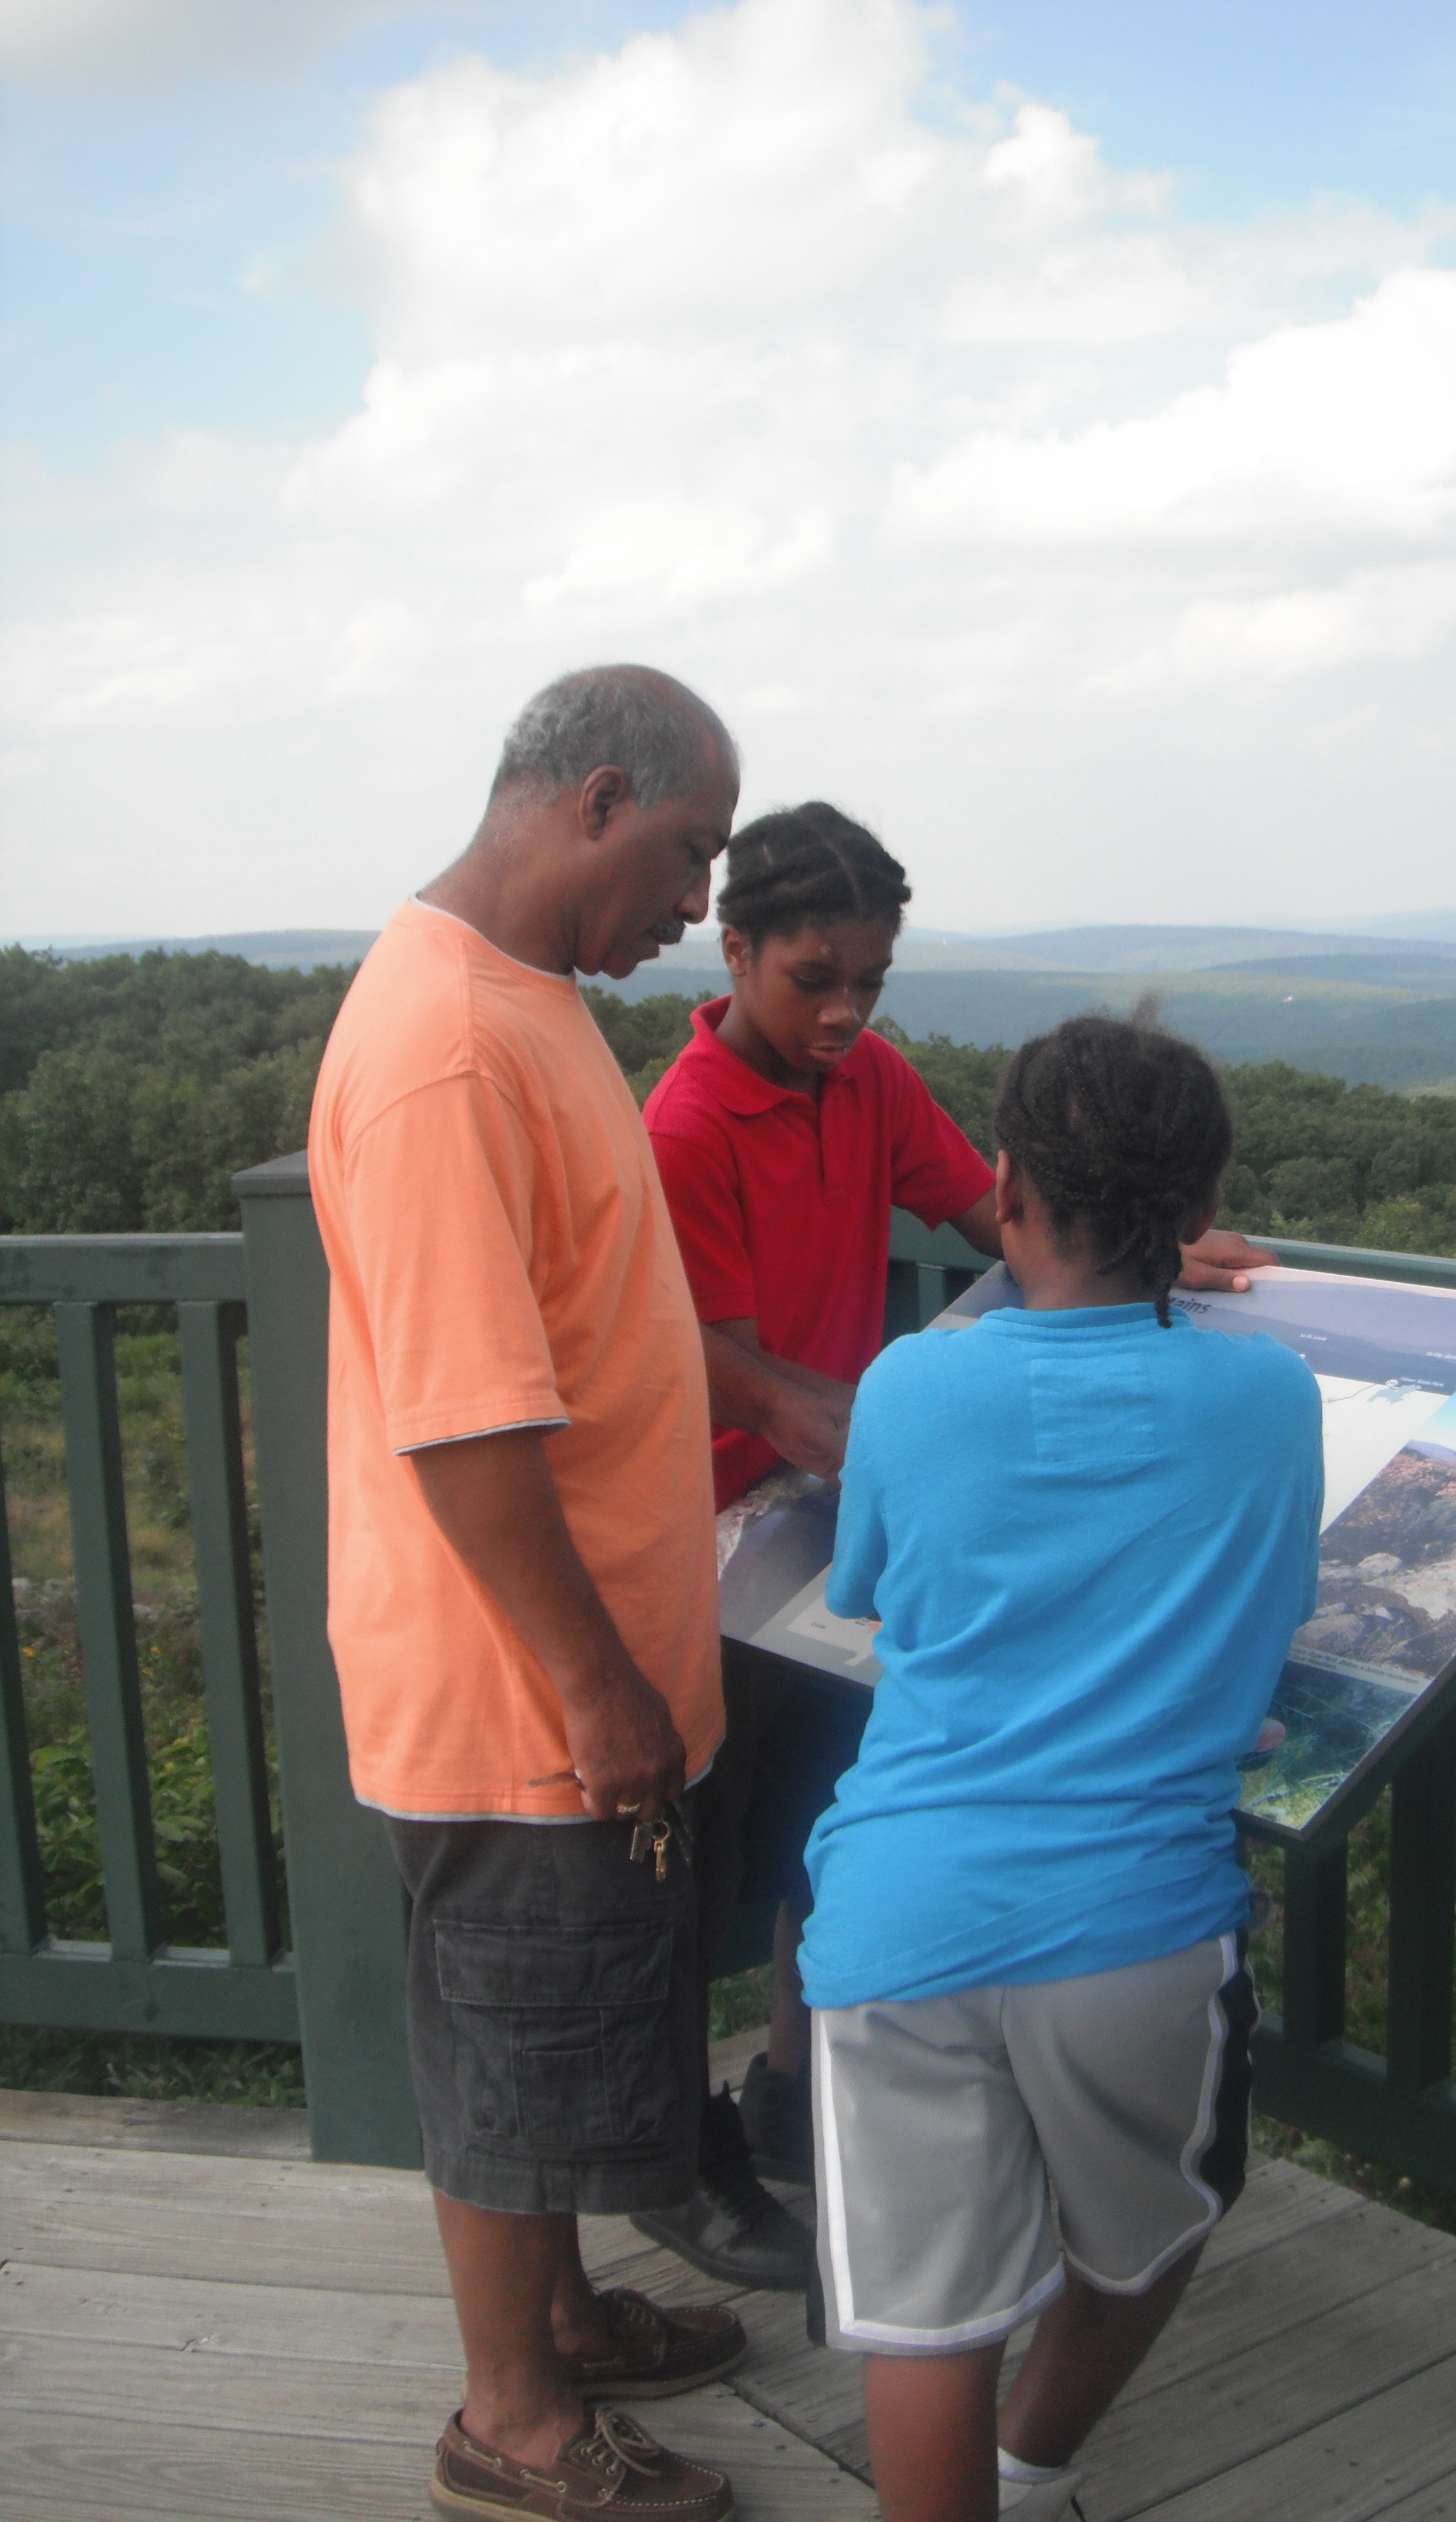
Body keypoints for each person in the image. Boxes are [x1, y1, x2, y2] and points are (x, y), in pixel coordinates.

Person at [638, 806, 1268, 2289]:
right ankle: (681, 2152)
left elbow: (998, 1208)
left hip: (830, 1520)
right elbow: (702, 1348)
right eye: (814, 978)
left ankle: (797, 2093)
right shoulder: (684, 1122)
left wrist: (1145, 1249)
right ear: (734, 954)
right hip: (714, 1550)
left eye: (872, 978)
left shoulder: (861, 1079)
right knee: (692, 1869)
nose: (848, 1012)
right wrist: (838, 1415)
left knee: (819, 1827)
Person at [308, 665, 745, 2522]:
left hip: (569, 1663)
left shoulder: (532, 999)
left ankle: (559, 2315)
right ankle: (516, 2425)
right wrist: (593, 1684)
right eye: (689, 856)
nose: (697, 908)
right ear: (593, 798)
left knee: (556, 2022)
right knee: (509, 2035)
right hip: (512, 1694)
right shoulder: (445, 1047)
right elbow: (469, 1426)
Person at [796, 1013, 1325, 2522]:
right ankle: (1033, 2469)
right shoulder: (1272, 1396)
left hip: (898, 1910)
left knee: (920, 2305)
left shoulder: (910, 1383)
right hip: (1143, 1917)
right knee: (1155, 2222)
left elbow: (874, 1592)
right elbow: (1272, 1608)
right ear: (1195, 1201)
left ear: (1008, 1182)